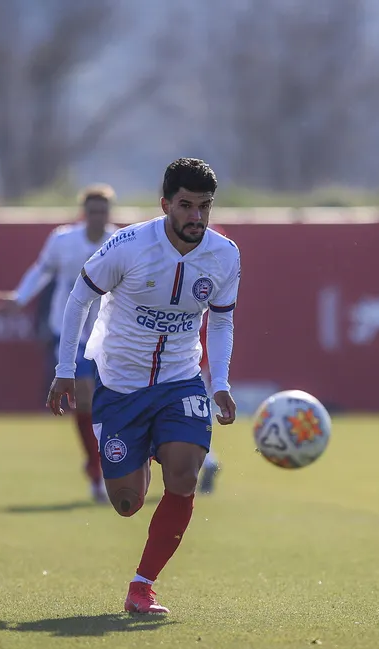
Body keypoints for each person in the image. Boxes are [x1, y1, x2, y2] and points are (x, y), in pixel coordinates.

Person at [47, 158, 240, 615]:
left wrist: (221, 384)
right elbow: (80, 298)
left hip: (180, 381)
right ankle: (146, 447)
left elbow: (223, 321)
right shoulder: (129, 245)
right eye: (186, 205)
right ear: (166, 205)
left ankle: (142, 585)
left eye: (204, 207)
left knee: (185, 474)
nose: (196, 216)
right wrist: (64, 368)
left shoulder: (225, 254)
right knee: (128, 503)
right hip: (121, 384)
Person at [0, 184, 118, 503]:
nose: (98, 217)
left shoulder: (118, 242)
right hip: (70, 330)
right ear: (83, 213)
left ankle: (110, 462)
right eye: (93, 211)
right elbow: (42, 270)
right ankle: (95, 468)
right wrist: (20, 298)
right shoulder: (63, 241)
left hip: (109, 332)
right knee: (85, 397)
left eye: (103, 211)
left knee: (111, 401)